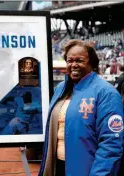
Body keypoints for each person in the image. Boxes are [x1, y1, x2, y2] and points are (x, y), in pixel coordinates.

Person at [39, 39, 124, 176]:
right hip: (58, 166)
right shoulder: (61, 88)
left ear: (91, 63)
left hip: (87, 169)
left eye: (79, 60)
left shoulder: (106, 93)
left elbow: (111, 142)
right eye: (70, 60)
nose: (73, 65)